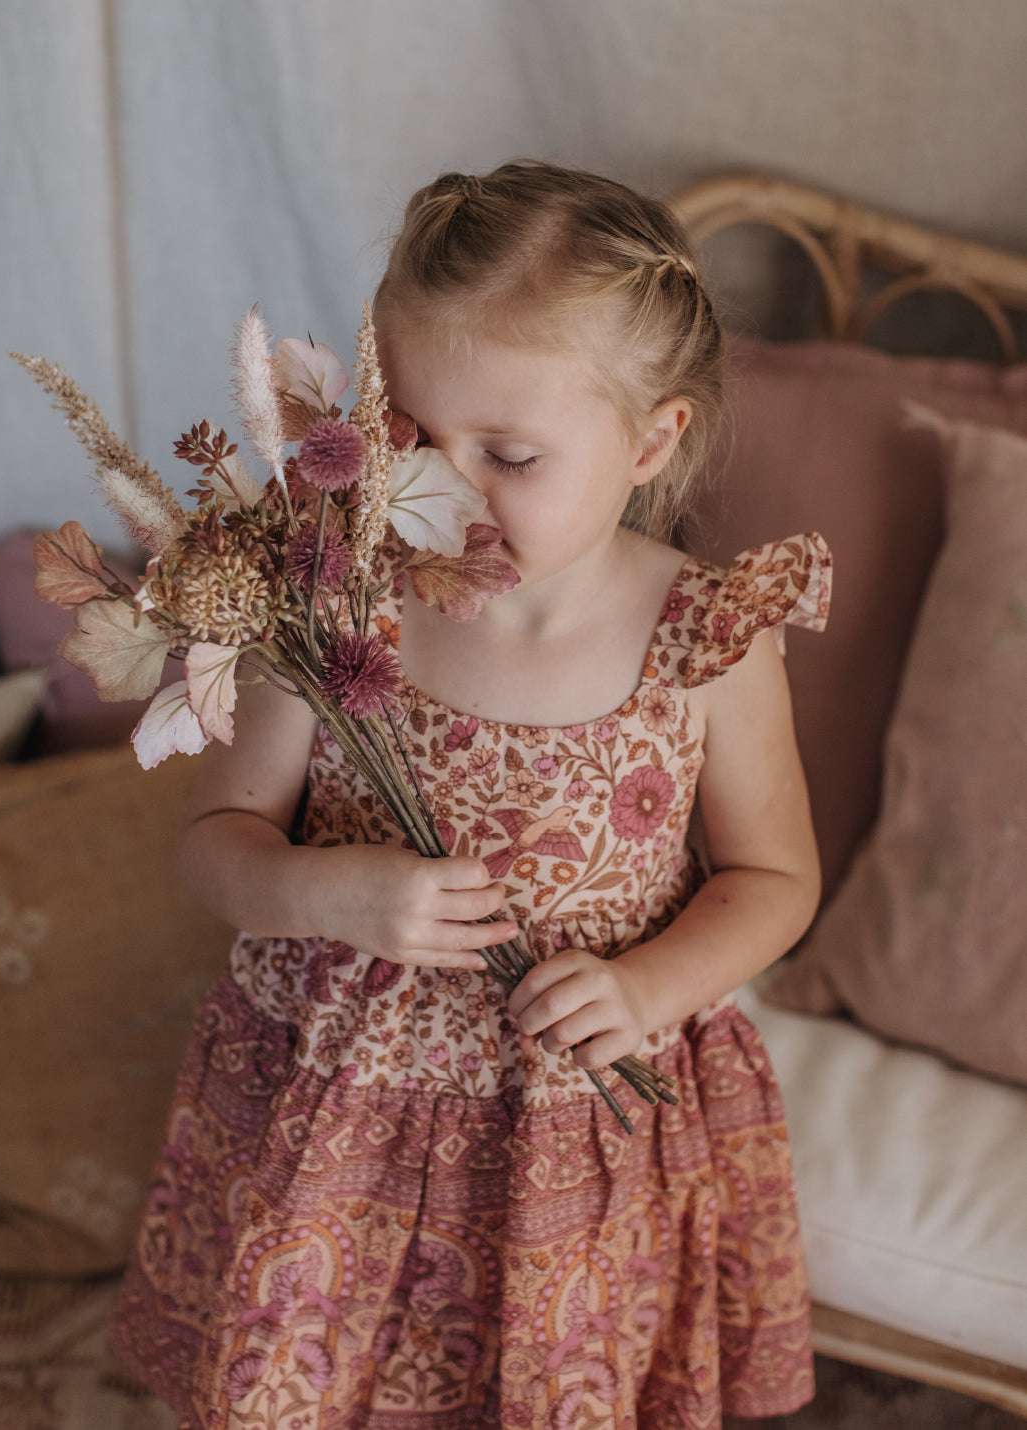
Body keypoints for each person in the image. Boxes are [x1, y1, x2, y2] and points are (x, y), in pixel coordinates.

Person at [111, 160, 830, 1429]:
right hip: (341, 1126)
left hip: (575, 1141)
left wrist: (649, 984)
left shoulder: (707, 634)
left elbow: (777, 878)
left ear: (652, 438)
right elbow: (213, 844)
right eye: (408, 436)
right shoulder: (336, 602)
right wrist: (326, 890)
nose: (438, 489)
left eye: (508, 452)